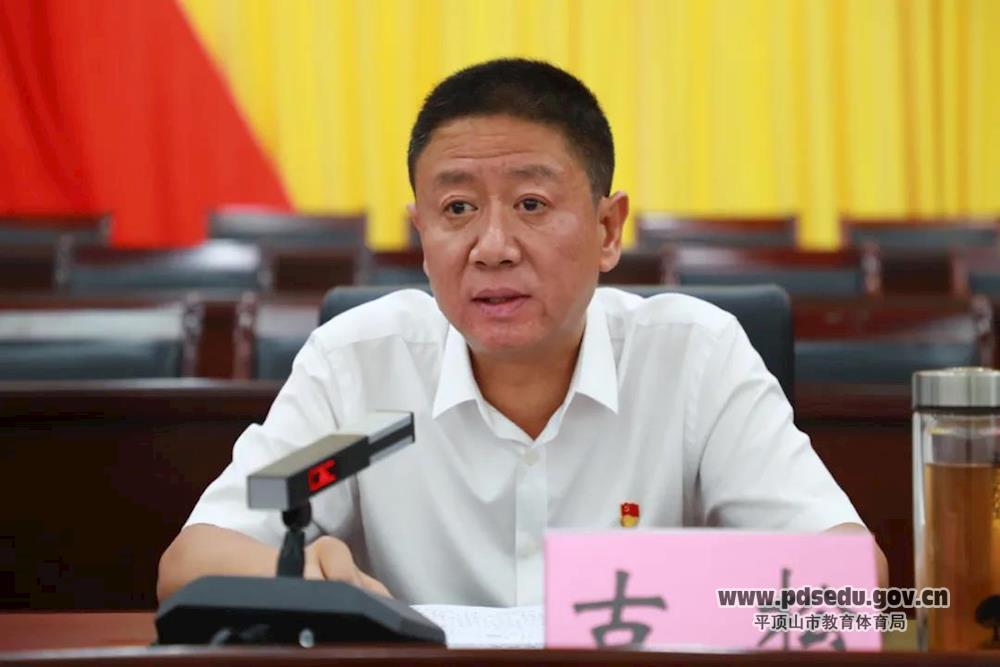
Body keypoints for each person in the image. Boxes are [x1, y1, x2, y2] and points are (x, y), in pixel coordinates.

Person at [158, 58, 888, 606]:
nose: (493, 246)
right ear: (420, 236)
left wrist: (637, 590)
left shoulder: (694, 357)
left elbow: (852, 579)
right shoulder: (358, 365)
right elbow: (191, 564)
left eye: (532, 204)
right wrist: (302, 578)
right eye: (457, 209)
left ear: (608, 229)